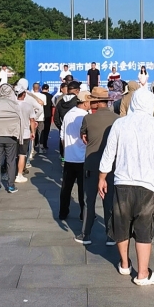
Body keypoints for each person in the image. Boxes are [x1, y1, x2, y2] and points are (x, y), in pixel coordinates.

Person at [99, 88, 154, 286]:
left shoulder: (120, 124)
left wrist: (102, 178)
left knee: (121, 224)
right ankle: (143, 273)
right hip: (147, 185)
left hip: (122, 182)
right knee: (144, 227)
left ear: (133, 103)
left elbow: (109, 153)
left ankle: (125, 264)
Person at [79, 87, 117, 245]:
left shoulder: (88, 119)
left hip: (92, 164)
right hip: (112, 166)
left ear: (96, 102)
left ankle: (86, 234)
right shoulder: (118, 119)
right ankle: (111, 235)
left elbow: (83, 136)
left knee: (89, 201)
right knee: (110, 201)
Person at [0, 83, 25, 193]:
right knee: (11, 161)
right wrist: (20, 137)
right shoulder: (14, 105)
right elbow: (21, 120)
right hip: (11, 136)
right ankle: (11, 186)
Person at [59, 90, 89, 221]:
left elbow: (62, 136)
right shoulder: (85, 116)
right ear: (85, 102)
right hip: (82, 157)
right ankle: (84, 214)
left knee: (66, 187)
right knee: (83, 189)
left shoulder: (68, 114)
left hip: (69, 157)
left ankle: (63, 212)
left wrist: (67, 151)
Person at [14, 80, 40, 183]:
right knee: (22, 154)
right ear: (24, 94)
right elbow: (32, 120)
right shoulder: (28, 106)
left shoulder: (11, 105)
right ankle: (19, 174)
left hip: (13, 133)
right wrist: (33, 132)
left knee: (11, 155)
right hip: (25, 133)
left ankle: (9, 173)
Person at [53, 81, 81, 161]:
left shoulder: (60, 101)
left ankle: (64, 159)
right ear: (77, 90)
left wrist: (62, 127)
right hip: (76, 129)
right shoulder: (78, 101)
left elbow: (56, 118)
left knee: (63, 145)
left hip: (63, 128)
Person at [38, 83, 54, 152]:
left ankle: (37, 143)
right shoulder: (51, 96)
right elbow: (53, 105)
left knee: (39, 130)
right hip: (48, 115)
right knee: (46, 131)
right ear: (48, 89)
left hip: (40, 115)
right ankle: (44, 144)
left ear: (41, 89)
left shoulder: (39, 95)